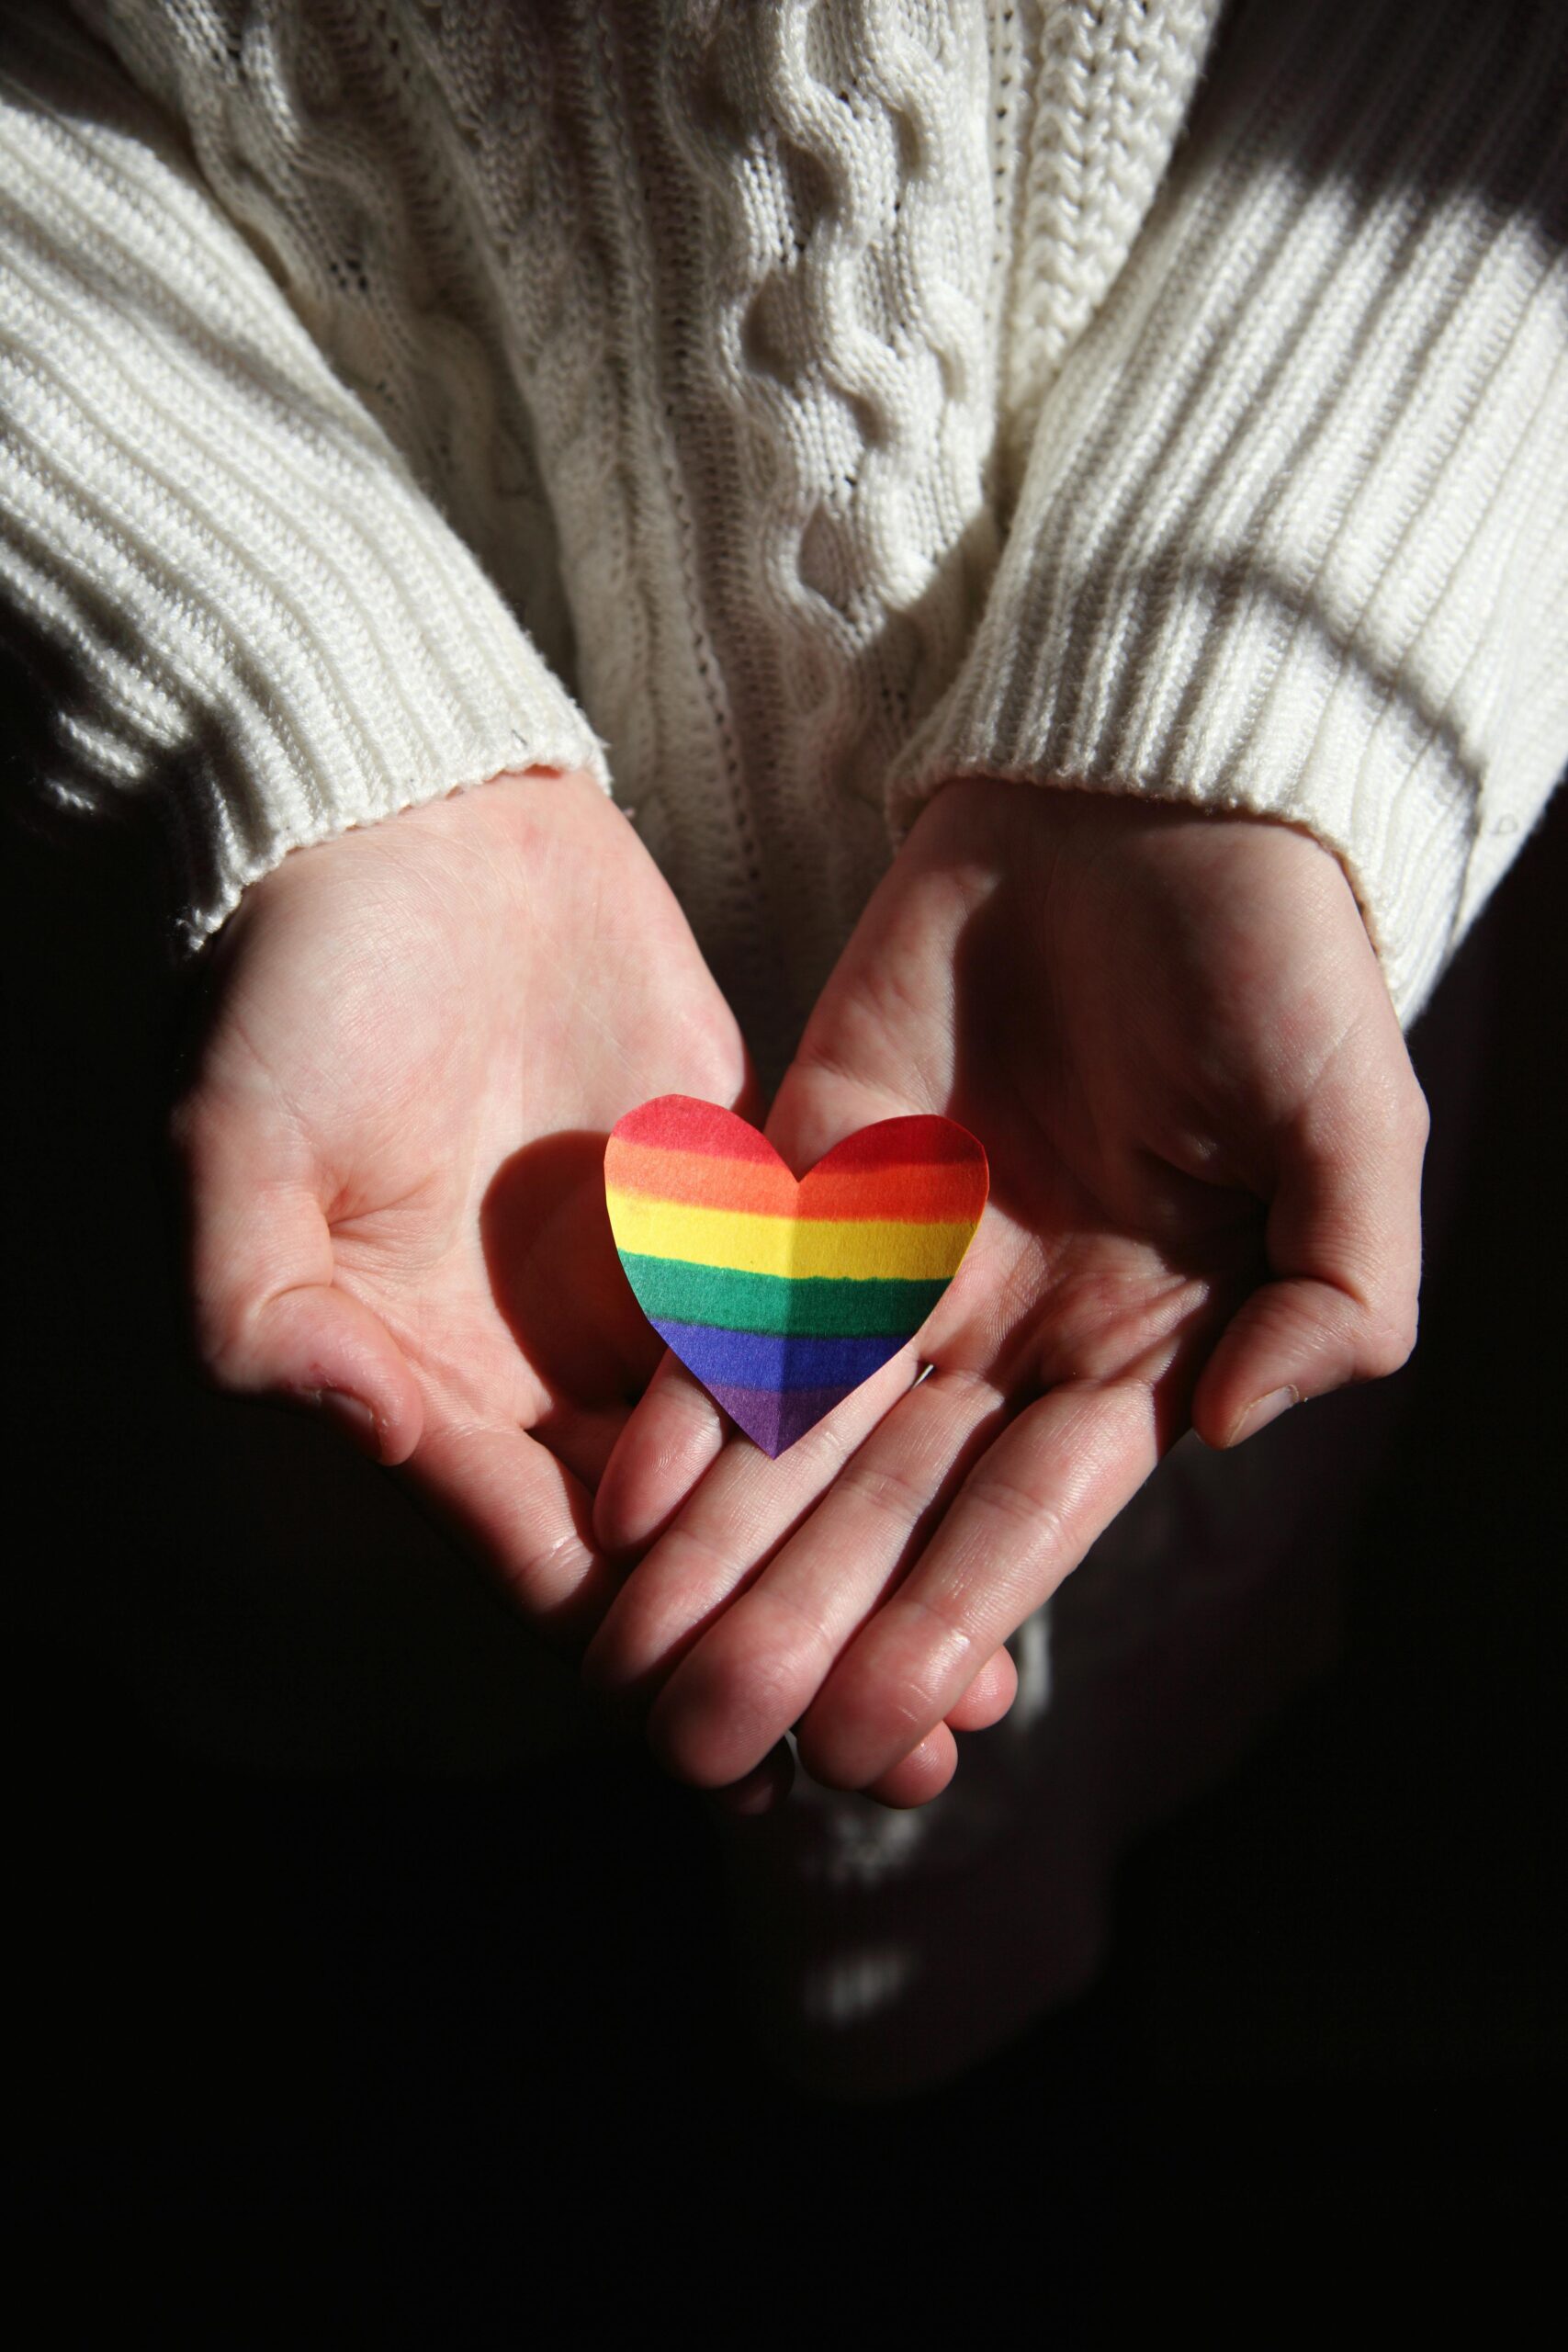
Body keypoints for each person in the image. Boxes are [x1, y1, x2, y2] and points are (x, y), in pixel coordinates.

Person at [4, 0, 1564, 2074]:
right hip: (209, 1065)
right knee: (338, 1920)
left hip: (1148, 1136)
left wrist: (1245, 680)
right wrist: (292, 684)